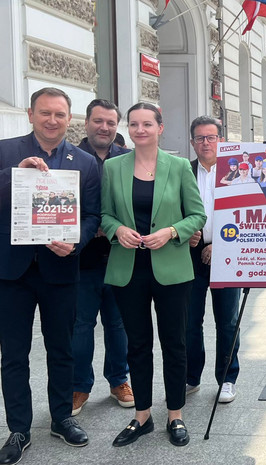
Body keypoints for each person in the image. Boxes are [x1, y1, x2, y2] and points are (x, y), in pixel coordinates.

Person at [0, 87, 100, 464]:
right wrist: (14, 175)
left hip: (60, 269)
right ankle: (18, 428)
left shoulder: (84, 162)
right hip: (12, 270)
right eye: (45, 113)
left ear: (69, 118)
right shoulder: (5, 151)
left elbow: (92, 215)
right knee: (14, 354)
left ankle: (61, 418)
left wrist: (75, 243)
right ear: (30, 114)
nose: (52, 120)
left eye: (60, 114)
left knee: (61, 348)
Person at [101, 102, 206, 448]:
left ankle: (175, 414)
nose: (140, 130)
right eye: (134, 124)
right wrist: (117, 230)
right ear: (128, 129)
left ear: (160, 128)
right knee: (137, 344)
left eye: (147, 124)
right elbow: (104, 215)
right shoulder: (113, 167)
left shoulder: (178, 166)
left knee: (174, 343)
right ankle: (142, 415)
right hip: (128, 269)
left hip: (172, 268)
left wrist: (172, 232)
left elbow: (197, 215)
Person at [73, 99, 133, 417]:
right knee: (81, 326)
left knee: (118, 324)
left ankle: (119, 380)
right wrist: (89, 225)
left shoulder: (128, 158)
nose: (104, 127)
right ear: (86, 123)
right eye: (98, 121)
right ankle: (79, 386)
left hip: (121, 257)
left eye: (111, 122)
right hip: (82, 260)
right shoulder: (70, 159)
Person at [185, 116, 242, 404]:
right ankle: (191, 376)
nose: (206, 143)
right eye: (200, 138)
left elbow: (246, 214)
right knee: (189, 320)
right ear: (192, 142)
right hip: (189, 253)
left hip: (228, 252)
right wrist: (185, 232)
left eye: (211, 137)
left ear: (221, 140)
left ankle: (227, 378)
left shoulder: (238, 173)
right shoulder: (183, 171)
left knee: (228, 321)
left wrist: (220, 244)